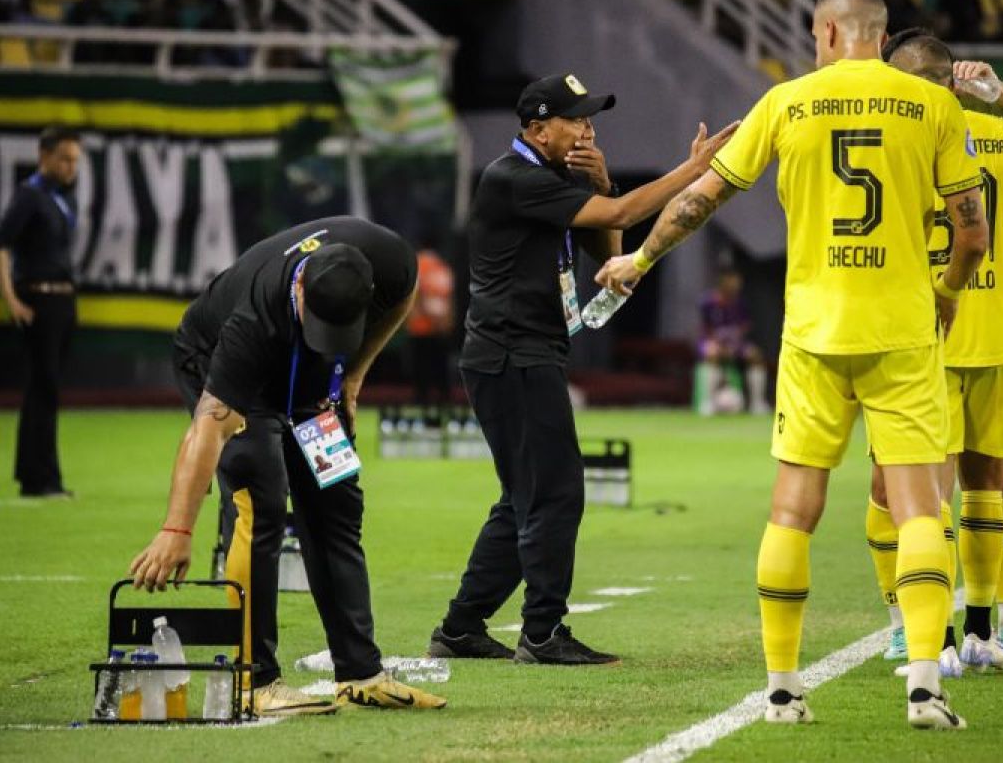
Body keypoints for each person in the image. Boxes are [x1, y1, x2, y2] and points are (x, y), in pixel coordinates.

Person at [598, 0, 989, 728]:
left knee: (792, 511)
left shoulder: (787, 102)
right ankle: (924, 687)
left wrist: (639, 261)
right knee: (919, 511)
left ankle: (781, 689)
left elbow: (700, 198)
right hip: (904, 331)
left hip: (812, 334)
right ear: (878, 32)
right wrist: (947, 290)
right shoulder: (936, 106)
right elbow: (972, 232)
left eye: (816, 36)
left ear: (833, 34)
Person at [427, 73, 737, 665]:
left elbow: (609, 246)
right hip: (512, 353)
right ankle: (542, 632)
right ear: (538, 128)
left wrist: (600, 181)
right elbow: (623, 211)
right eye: (576, 119)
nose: (588, 128)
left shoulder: (545, 178)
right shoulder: (513, 177)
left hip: (522, 352)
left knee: (524, 496)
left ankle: (461, 627)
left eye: (590, 118)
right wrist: (693, 169)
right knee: (556, 493)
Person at [128, 216, 447, 714]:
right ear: (301, 294)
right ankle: (254, 682)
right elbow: (208, 428)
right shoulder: (254, 320)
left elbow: (404, 296)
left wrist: (357, 372)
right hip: (226, 369)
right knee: (262, 502)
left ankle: (360, 674)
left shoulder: (389, 259)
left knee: (337, 503)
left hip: (312, 379)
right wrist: (177, 529)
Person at [867, 29, 1003, 676]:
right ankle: (990, 628)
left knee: (906, 494)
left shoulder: (887, 138)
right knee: (993, 484)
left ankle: (915, 630)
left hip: (913, 337)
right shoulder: (1001, 137)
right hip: (996, 339)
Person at [0, 127, 82, 499]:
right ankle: (39, 480)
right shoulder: (30, 195)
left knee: (47, 388)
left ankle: (41, 475)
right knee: (43, 388)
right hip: (38, 300)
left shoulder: (60, 198)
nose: (71, 167)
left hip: (61, 300)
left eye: (75, 160)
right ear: (44, 156)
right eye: (64, 159)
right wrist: (10, 299)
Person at [696, 267, 769, 415]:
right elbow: (704, 330)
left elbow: (745, 327)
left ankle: (757, 403)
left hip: (735, 344)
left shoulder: (740, 303)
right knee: (712, 352)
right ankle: (708, 403)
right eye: (733, 280)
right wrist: (719, 344)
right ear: (723, 281)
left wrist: (733, 344)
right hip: (712, 342)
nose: (736, 284)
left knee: (755, 355)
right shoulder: (708, 303)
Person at [406, 238, 455, 405]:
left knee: (422, 368)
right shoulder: (443, 267)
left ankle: (422, 399)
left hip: (421, 326)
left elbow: (418, 294)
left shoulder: (419, 263)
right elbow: (449, 297)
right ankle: (444, 399)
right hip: (439, 326)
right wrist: (447, 322)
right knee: (440, 366)